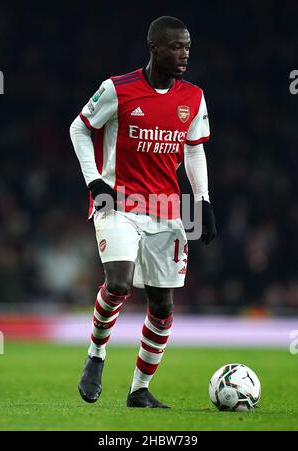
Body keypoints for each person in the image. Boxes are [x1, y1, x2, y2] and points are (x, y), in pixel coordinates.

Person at [69, 15, 216, 408]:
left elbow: (194, 148)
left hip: (167, 208)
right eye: (175, 46)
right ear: (154, 48)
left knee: (163, 305)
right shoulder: (117, 89)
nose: (184, 53)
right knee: (119, 282)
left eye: (187, 46)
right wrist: (94, 181)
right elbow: (79, 129)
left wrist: (202, 200)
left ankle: (139, 389)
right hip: (117, 201)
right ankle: (96, 355)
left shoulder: (194, 97)